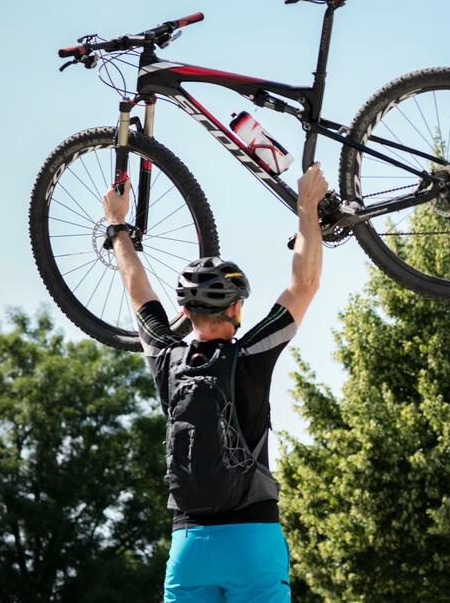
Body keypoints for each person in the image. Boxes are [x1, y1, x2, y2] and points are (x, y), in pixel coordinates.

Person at [101, 162, 328, 602]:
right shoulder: (250, 356)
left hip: (188, 542)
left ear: (184, 314)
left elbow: (139, 294)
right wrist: (308, 206)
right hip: (252, 538)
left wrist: (117, 225)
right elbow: (305, 284)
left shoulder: (167, 358)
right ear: (237, 310)